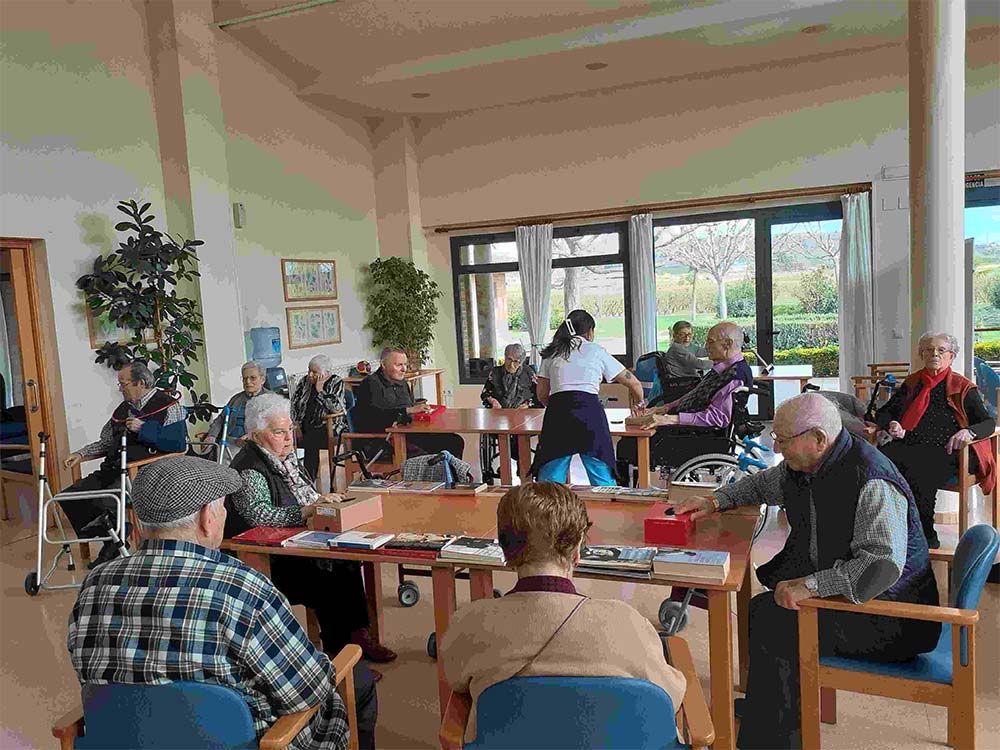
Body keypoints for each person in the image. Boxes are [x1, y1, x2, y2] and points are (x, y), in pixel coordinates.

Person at [670, 393, 940, 750]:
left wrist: (812, 585)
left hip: (893, 617)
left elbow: (879, 566)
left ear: (818, 438)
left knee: (775, 621)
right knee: (766, 610)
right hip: (859, 599)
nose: (776, 448)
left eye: (783, 440)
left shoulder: (872, 479)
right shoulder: (809, 466)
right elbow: (761, 484)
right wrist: (715, 500)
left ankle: (773, 738)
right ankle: (771, 706)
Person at [67, 455, 377, 750]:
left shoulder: (94, 584)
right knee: (357, 677)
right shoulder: (242, 587)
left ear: (137, 523)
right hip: (251, 743)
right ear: (207, 518)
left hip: (127, 742)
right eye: (223, 509)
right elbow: (307, 692)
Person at [440, 482, 685, 744]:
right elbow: (671, 697)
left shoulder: (470, 623)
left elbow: (456, 679)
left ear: (504, 548)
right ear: (577, 551)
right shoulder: (627, 624)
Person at [226, 392, 397, 665]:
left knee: (347, 558)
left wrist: (324, 502)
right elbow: (259, 516)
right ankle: (340, 656)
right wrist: (306, 511)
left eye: (290, 429)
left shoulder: (283, 458)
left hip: (296, 543)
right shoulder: (250, 468)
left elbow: (305, 495)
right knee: (328, 576)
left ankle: (358, 636)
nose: (289, 438)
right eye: (279, 432)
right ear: (256, 436)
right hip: (268, 558)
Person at [875, 332, 995, 548]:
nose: (935, 354)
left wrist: (968, 432)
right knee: (877, 460)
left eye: (941, 350)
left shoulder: (962, 387)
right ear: (921, 355)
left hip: (951, 450)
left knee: (919, 467)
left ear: (951, 356)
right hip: (912, 444)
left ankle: (925, 534)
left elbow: (987, 423)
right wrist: (892, 423)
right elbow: (884, 413)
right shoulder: (913, 383)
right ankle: (891, 528)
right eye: (929, 350)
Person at [62, 361, 187, 567]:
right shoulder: (122, 410)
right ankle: (115, 539)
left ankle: (113, 543)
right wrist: (81, 454)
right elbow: (106, 442)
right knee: (70, 497)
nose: (120, 388)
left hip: (143, 472)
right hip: (113, 469)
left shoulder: (169, 406)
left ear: (141, 383)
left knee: (103, 499)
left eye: (123, 384)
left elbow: (178, 444)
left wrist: (143, 428)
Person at [616, 321, 752, 478]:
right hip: (691, 429)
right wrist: (665, 408)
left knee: (628, 444)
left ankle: (627, 489)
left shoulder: (734, 376)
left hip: (699, 437)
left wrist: (668, 419)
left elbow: (718, 418)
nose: (706, 346)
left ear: (727, 344)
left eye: (710, 342)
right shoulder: (723, 369)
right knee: (634, 433)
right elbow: (695, 394)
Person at [531, 310, 644, 486]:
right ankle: (607, 503)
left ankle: (548, 504)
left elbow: (542, 394)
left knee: (550, 481)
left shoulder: (552, 352)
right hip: (590, 414)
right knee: (602, 477)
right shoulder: (596, 351)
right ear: (590, 331)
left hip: (559, 414)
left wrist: (556, 407)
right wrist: (639, 402)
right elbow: (634, 383)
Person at [352, 347, 463, 462]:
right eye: (399, 365)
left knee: (454, 441)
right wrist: (408, 411)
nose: (404, 369)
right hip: (383, 439)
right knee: (431, 454)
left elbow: (410, 408)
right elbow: (374, 418)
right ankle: (435, 472)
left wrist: (422, 412)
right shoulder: (370, 384)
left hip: (407, 433)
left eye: (405, 364)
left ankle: (450, 473)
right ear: (383, 365)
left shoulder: (403, 383)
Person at [291, 354, 347, 481]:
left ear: (326, 373)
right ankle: (293, 478)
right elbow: (294, 404)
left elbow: (336, 408)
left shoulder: (336, 382)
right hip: (303, 425)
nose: (310, 375)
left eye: (314, 372)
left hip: (329, 427)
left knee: (312, 439)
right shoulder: (304, 382)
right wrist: (296, 424)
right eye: (309, 371)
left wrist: (320, 391)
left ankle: (308, 479)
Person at [204, 360, 269, 448]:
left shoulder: (271, 400)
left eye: (253, 378)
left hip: (255, 445)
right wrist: (211, 436)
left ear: (262, 380)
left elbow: (274, 428)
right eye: (244, 378)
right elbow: (221, 419)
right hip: (229, 443)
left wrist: (252, 436)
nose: (248, 382)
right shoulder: (236, 399)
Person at [480, 343, 537, 410]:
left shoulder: (529, 372)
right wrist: (492, 401)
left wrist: (527, 404)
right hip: (499, 411)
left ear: (521, 363)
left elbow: (538, 396)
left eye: (516, 361)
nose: (511, 365)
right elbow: (485, 393)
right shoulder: (495, 372)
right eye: (509, 359)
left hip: (522, 412)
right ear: (505, 357)